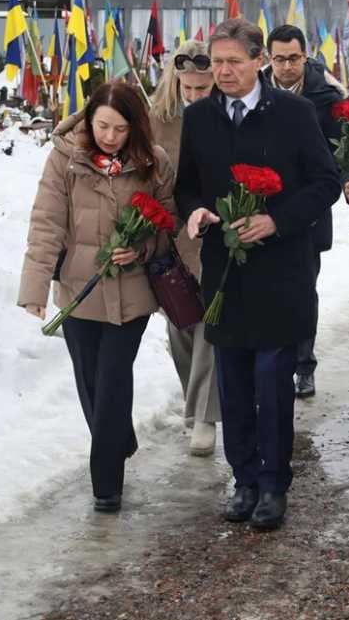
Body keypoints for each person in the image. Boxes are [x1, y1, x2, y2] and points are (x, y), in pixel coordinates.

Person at [177, 19, 341, 531]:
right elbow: (187, 186)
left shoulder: (294, 112)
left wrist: (278, 219)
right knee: (232, 378)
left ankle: (273, 484)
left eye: (233, 62)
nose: (223, 71)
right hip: (225, 272)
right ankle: (243, 476)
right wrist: (197, 212)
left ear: (257, 62)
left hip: (281, 270)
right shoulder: (200, 117)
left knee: (272, 380)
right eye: (217, 62)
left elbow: (324, 182)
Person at [18, 82, 177, 513]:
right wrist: (34, 288)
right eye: (103, 126)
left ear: (135, 128)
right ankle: (118, 438)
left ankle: (107, 487)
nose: (110, 136)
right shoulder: (65, 159)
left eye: (120, 129)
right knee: (89, 379)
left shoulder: (153, 163)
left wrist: (141, 249)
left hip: (132, 295)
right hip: (78, 290)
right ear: (89, 120)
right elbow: (47, 222)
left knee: (112, 382)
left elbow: (168, 226)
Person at [260, 24, 347, 400]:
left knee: (302, 290)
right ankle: (267, 362)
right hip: (259, 208)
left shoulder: (326, 98)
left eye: (293, 58)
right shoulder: (254, 92)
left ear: (305, 57)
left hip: (306, 210)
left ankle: (303, 364)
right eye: (278, 59)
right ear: (268, 59)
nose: (286, 67)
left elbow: (337, 153)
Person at [148, 40, 221, 456]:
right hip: (170, 237)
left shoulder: (223, 116)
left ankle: (203, 418)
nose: (193, 96)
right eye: (187, 88)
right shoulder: (157, 119)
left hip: (211, 230)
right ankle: (193, 402)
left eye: (201, 87)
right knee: (180, 328)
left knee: (209, 326)